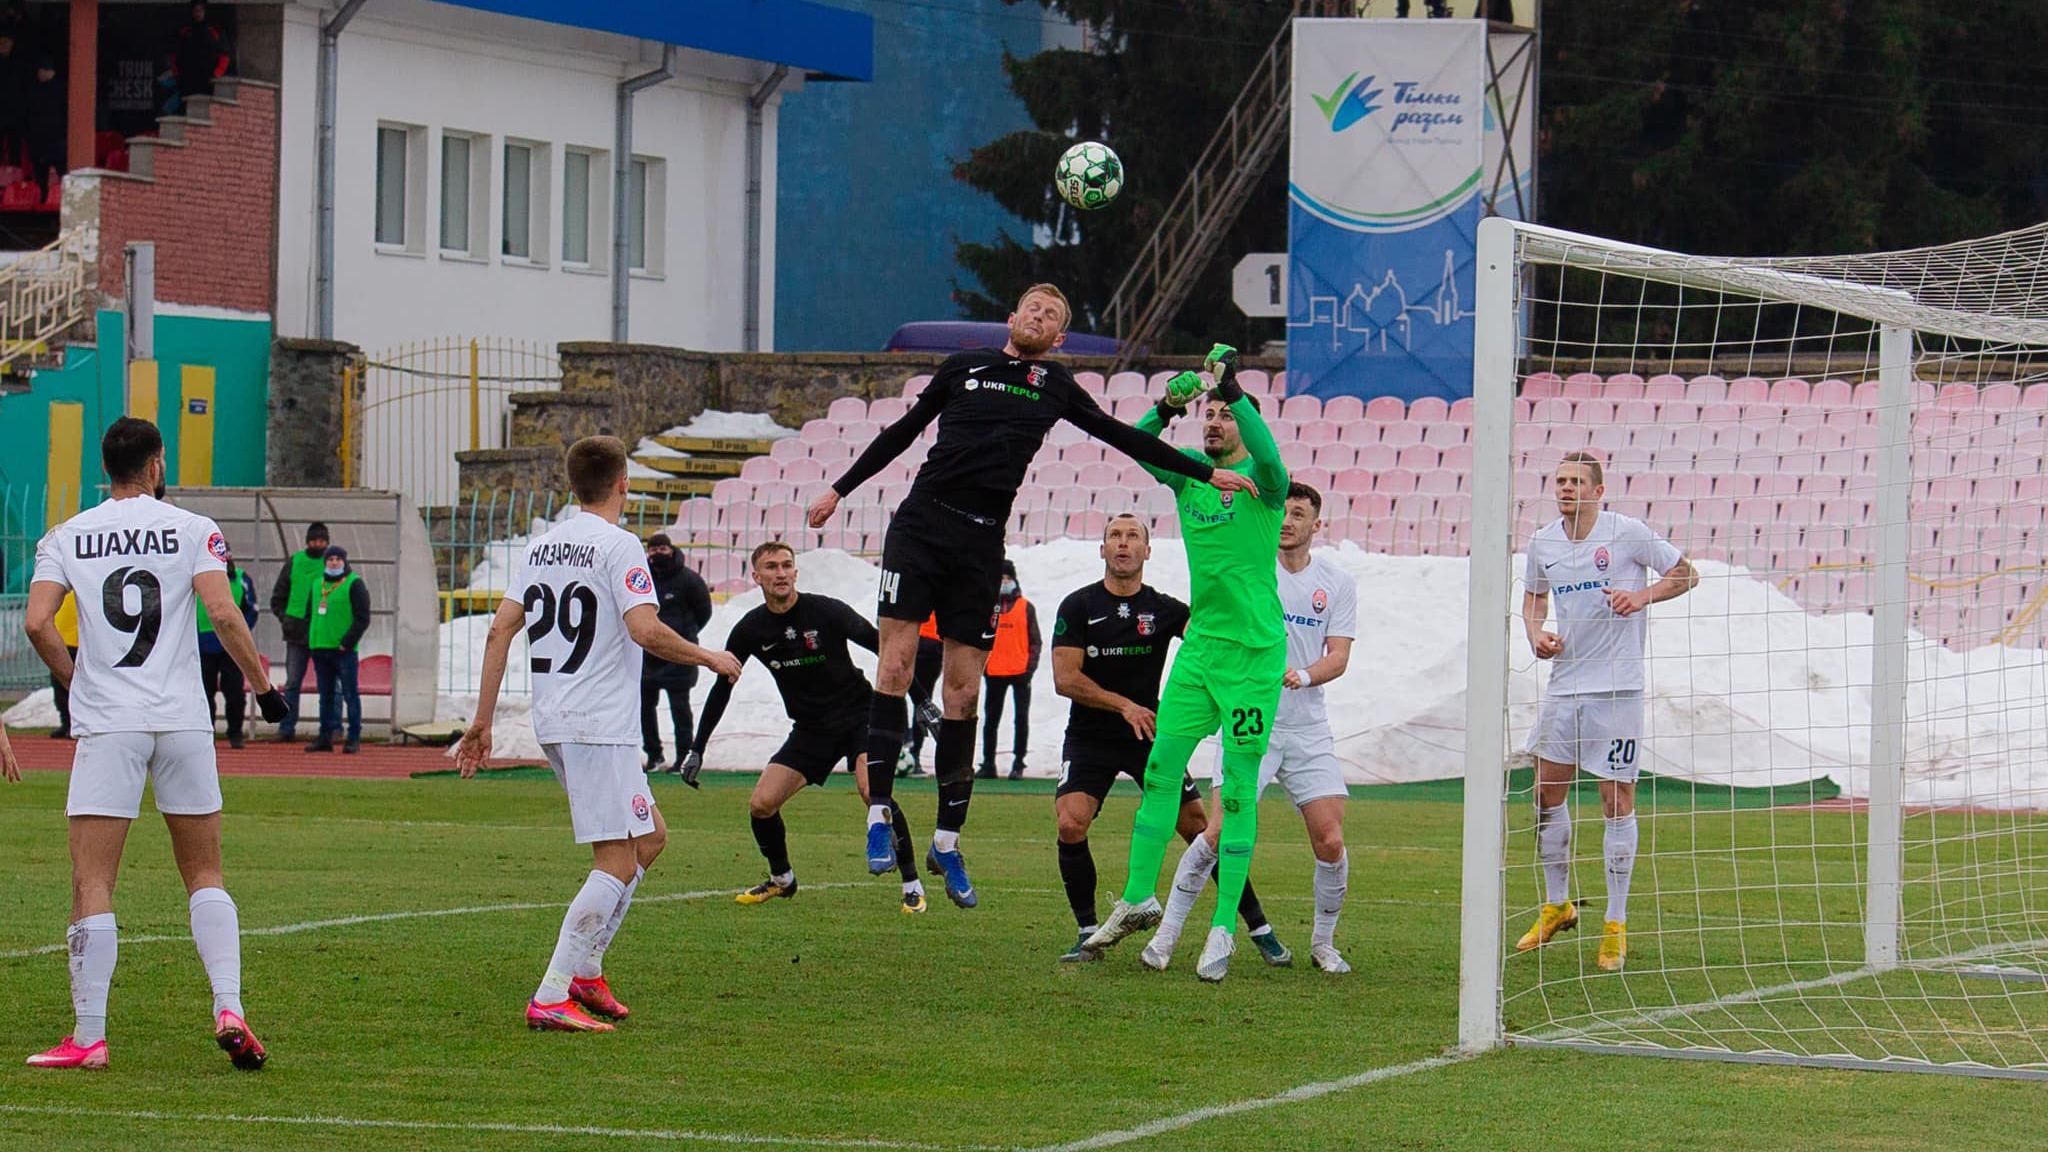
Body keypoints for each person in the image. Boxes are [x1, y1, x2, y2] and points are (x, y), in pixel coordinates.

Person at [803, 283, 1257, 908]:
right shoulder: (963, 368)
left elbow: (1122, 437)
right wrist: (839, 489)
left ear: (1059, 339)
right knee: (897, 663)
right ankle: (879, 811)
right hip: (920, 526)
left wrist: (1205, 471)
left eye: (1053, 317)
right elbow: (904, 431)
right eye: (1032, 309)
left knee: (962, 691)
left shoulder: (1055, 385)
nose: (1039, 318)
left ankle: (947, 840)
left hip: (982, 544)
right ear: (1012, 318)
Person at [20, 417, 290, 1070]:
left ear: (105, 467)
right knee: (204, 873)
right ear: (157, 464)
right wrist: (263, 687)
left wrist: (76, 678)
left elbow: (36, 622)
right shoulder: (194, 529)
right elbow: (224, 614)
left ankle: (89, 1036)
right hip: (182, 721)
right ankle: (229, 1005)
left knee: (92, 881)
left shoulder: (66, 535)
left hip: (111, 722)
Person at [456, 436, 741, 1032]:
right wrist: (708, 656)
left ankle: (586, 969)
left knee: (651, 838)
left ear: (572, 486)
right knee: (615, 859)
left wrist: (482, 721)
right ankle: (552, 992)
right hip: (597, 724)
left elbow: (499, 632)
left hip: (560, 717)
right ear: (623, 485)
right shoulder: (620, 546)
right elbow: (645, 629)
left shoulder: (542, 546)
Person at [1085, 345, 1290, 982]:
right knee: (1159, 771)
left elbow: (1273, 455)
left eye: (1224, 415)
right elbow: (1134, 443)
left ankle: (1224, 925)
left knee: (1235, 787)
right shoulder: (1190, 473)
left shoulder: (1264, 483)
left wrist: (1230, 386)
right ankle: (1138, 896)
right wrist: (1168, 405)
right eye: (1209, 415)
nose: (1214, 422)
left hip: (1254, 657)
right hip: (1201, 650)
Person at [1052, 513, 1287, 965]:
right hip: (1091, 736)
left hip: (1151, 737)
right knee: (1070, 821)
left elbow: (1214, 641)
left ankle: (1258, 927)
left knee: (1202, 827)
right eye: (1114, 537)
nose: (1123, 544)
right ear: (1102, 549)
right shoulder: (1078, 606)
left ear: (1147, 551)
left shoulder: (1164, 609)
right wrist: (1123, 705)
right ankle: (1087, 931)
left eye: (1133, 536)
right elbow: (1065, 678)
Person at [1146, 483, 1358, 974]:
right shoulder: (1248, 569)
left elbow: (1340, 655)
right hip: (1248, 721)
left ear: (1315, 525)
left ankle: (1323, 944)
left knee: (1329, 839)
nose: (1287, 521)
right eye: (1281, 512)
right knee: (1217, 833)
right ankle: (1167, 934)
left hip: (1306, 726)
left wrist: (1302, 676)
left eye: (1299, 514)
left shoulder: (1337, 582)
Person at [1517, 451, 1697, 973]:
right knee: (1546, 793)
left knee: (1615, 797)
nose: (1567, 488)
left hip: (1618, 691)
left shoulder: (1628, 533)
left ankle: (1615, 923)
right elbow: (1533, 600)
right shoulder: (1543, 542)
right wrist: (1535, 633)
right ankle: (1557, 905)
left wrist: (1642, 596)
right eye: (1561, 481)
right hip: (1565, 686)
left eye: (1577, 481)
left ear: (1599, 491)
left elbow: (1687, 574)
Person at [683, 542, 930, 913]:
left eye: (786, 565)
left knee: (870, 791)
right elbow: (723, 687)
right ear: (757, 576)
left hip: (860, 715)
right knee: (761, 804)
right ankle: (782, 878)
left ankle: (911, 883)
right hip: (811, 729)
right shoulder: (751, 629)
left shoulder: (826, 611)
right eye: (771, 566)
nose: (780, 573)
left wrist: (923, 701)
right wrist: (697, 747)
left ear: (795, 572)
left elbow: (888, 652)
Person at [639, 533, 712, 773]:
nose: (657, 554)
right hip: (647, 654)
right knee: (644, 708)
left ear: (671, 550)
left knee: (680, 708)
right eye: (653, 549)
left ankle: (683, 756)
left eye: (662, 548)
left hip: (680, 654)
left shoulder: (689, 580)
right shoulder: (643, 579)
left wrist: (685, 635)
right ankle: (654, 755)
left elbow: (704, 612)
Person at [978, 559, 1039, 780]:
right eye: (1001, 579)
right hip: (994, 672)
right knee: (990, 720)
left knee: (1020, 719)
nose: (1004, 583)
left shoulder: (1025, 608)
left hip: (1020, 673)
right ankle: (988, 764)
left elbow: (1035, 641)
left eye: (1007, 578)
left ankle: (1018, 763)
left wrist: (1029, 669)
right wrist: (984, 667)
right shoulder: (989, 609)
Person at [305, 545, 369, 755]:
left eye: (337, 559)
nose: (334, 562)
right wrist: (310, 638)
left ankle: (353, 737)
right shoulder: (317, 584)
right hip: (320, 647)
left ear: (344, 561)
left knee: (350, 694)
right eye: (330, 559)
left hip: (343, 651)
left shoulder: (354, 584)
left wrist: (348, 642)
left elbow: (362, 617)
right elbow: (309, 614)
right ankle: (325, 736)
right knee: (326, 695)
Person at [269, 522, 329, 743]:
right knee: (293, 682)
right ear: (308, 541)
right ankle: (286, 728)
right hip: (296, 634)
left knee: (329, 685)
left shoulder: (332, 562)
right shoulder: (295, 562)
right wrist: (286, 619)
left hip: (323, 634)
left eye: (322, 541)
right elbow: (278, 596)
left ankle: (330, 729)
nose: (318, 544)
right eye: (314, 541)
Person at [197, 544, 259, 749]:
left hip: (230, 646)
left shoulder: (242, 578)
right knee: (204, 693)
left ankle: (235, 733)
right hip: (202, 644)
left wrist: (238, 633)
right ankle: (208, 733)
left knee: (234, 693)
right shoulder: (198, 576)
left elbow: (252, 610)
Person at [896, 615, 942, 778]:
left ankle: (904, 740)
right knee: (922, 700)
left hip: (910, 639)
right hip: (932, 644)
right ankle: (914, 753)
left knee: (897, 691)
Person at [169, 1, 228, 108]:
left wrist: (216, 74)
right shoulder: (184, 31)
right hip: (187, 80)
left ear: (204, 12)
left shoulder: (214, 31)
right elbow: (174, 56)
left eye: (200, 11)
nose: (198, 14)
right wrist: (177, 74)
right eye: (196, 11)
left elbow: (224, 56)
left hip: (208, 80)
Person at [47, 590, 76, 739]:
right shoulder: (60, 590)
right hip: (61, 640)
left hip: (80, 643)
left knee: (78, 687)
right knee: (60, 687)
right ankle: (67, 723)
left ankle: (77, 723)